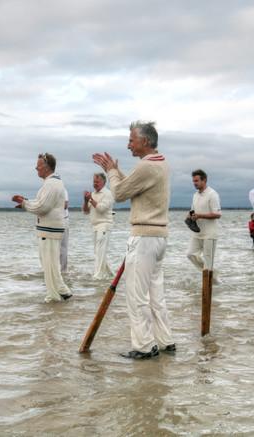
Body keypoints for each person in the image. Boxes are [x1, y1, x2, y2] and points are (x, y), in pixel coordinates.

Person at [93, 120, 174, 359]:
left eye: (131, 140)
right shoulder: (161, 162)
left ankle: (144, 346)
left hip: (145, 237)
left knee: (136, 295)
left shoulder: (147, 166)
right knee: (156, 294)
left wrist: (111, 172)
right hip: (159, 237)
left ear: (145, 141)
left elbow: (118, 193)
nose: (128, 145)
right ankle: (165, 340)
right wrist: (117, 172)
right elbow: (134, 186)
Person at [12, 153, 72, 302]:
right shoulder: (53, 183)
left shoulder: (52, 184)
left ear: (46, 167)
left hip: (50, 230)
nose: (36, 168)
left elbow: (43, 207)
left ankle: (53, 296)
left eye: (38, 166)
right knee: (51, 264)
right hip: (51, 228)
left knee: (49, 264)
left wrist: (25, 203)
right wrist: (25, 202)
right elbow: (42, 204)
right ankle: (62, 291)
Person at [185, 169, 221, 283]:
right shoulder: (195, 195)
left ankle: (210, 287)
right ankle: (213, 274)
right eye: (193, 181)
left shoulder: (212, 194)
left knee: (208, 262)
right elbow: (193, 210)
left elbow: (218, 214)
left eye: (196, 181)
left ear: (204, 180)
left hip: (210, 234)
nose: (194, 183)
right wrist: (189, 215)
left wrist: (199, 215)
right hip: (197, 233)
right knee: (190, 254)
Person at [83, 172, 114, 279]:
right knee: (98, 252)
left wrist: (91, 199)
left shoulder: (108, 193)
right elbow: (86, 211)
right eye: (94, 181)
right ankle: (111, 275)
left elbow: (101, 208)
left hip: (105, 225)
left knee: (100, 251)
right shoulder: (93, 194)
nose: (95, 183)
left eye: (97, 181)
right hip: (95, 226)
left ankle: (98, 276)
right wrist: (86, 200)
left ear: (103, 182)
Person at [60, 187, 70, 272]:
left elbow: (65, 205)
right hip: (54, 221)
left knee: (63, 248)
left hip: (63, 220)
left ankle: (63, 271)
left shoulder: (63, 189)